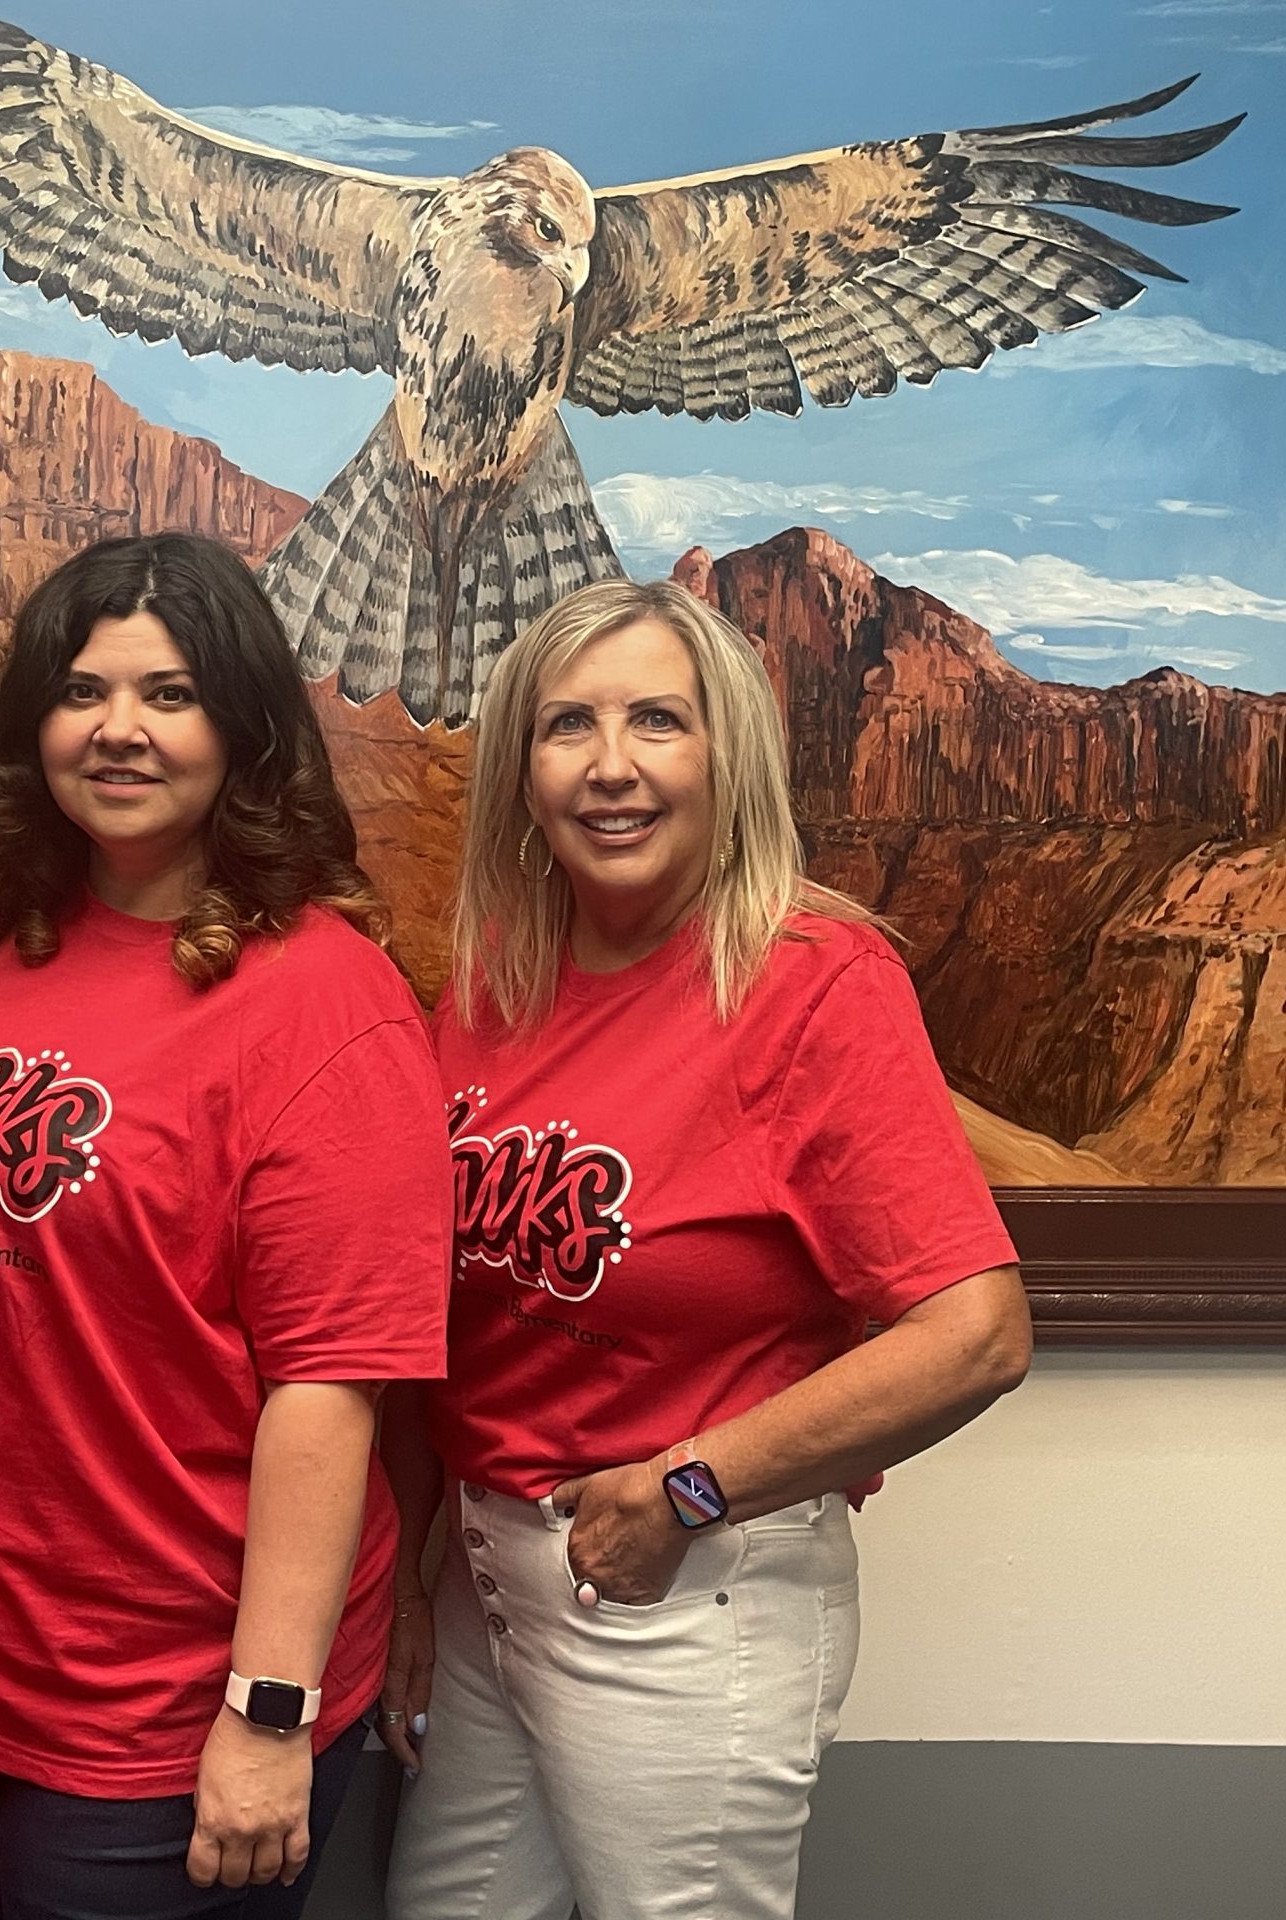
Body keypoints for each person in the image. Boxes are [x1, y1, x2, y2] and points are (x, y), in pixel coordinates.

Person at [381, 578, 1033, 1920]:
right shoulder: (496, 984)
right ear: (521, 769)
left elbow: (975, 1333)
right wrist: (412, 1574)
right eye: (569, 725)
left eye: (657, 722)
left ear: (724, 754)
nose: (611, 766)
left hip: (685, 1586)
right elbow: (435, 1321)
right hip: (487, 1579)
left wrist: (683, 1490)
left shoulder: (811, 983)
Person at [0, 533, 453, 1919]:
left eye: (170, 694)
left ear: (243, 732)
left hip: (167, 1699)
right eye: (81, 690)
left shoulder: (325, 1006)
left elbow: (331, 1388)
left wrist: (270, 1711)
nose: (119, 729)